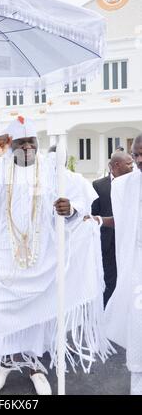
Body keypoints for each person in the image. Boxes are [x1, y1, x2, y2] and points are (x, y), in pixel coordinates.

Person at [0, 116, 112, 395]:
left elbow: (80, 198)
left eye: (31, 141)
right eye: (21, 142)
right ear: (11, 145)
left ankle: (35, 367)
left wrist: (70, 209)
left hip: (43, 258)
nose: (27, 146)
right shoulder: (0, 167)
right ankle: (5, 363)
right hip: (6, 257)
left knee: (39, 318)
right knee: (3, 314)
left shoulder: (51, 169)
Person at [104, 134, 142, 395]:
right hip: (137, 267)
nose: (138, 160)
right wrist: (92, 219)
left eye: (141, 154)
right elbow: (122, 221)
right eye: (135, 154)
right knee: (138, 331)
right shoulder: (125, 185)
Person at [91, 151, 133, 307]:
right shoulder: (98, 185)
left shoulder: (134, 183)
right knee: (110, 282)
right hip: (107, 244)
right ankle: (106, 315)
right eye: (129, 164)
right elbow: (93, 215)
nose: (132, 166)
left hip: (129, 242)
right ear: (117, 165)